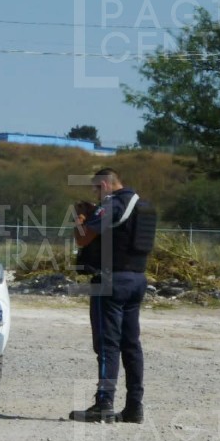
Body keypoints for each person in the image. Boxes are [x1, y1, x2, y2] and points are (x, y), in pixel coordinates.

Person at [70, 168, 147, 424]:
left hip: (111, 282)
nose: (95, 194)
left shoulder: (113, 204)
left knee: (107, 345)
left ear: (105, 184)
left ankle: (104, 402)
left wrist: (81, 218)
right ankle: (135, 406)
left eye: (96, 189)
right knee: (131, 345)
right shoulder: (143, 206)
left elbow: (83, 239)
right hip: (137, 278)